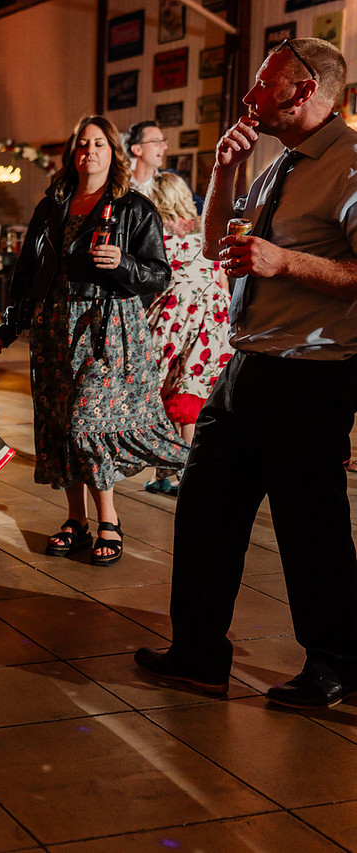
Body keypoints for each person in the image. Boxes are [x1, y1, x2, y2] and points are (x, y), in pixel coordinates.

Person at [136, 38, 357, 710]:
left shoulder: (348, 165)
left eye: (264, 83)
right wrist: (225, 171)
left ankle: (337, 665)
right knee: (204, 511)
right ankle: (198, 652)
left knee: (309, 527)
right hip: (245, 367)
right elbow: (214, 246)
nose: (250, 95)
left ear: (304, 91)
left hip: (310, 374)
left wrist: (284, 262)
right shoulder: (276, 163)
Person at [0, 115, 186, 567]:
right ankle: (75, 520)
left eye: (98, 144)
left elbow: (159, 275)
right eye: (82, 144)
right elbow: (27, 273)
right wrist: (12, 322)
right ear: (72, 153)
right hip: (53, 327)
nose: (89, 152)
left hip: (105, 328)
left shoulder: (134, 207)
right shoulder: (51, 206)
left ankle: (109, 521)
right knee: (60, 423)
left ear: (113, 152)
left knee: (86, 421)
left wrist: (123, 263)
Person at [141, 170, 233, 495]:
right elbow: (220, 276)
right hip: (214, 310)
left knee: (167, 390)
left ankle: (179, 473)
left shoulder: (158, 233)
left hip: (177, 310)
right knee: (192, 389)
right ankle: (173, 473)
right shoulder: (206, 227)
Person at [124, 120, 167, 191]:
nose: (165, 147)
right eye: (156, 141)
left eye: (163, 141)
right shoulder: (120, 183)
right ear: (137, 150)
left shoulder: (170, 182)